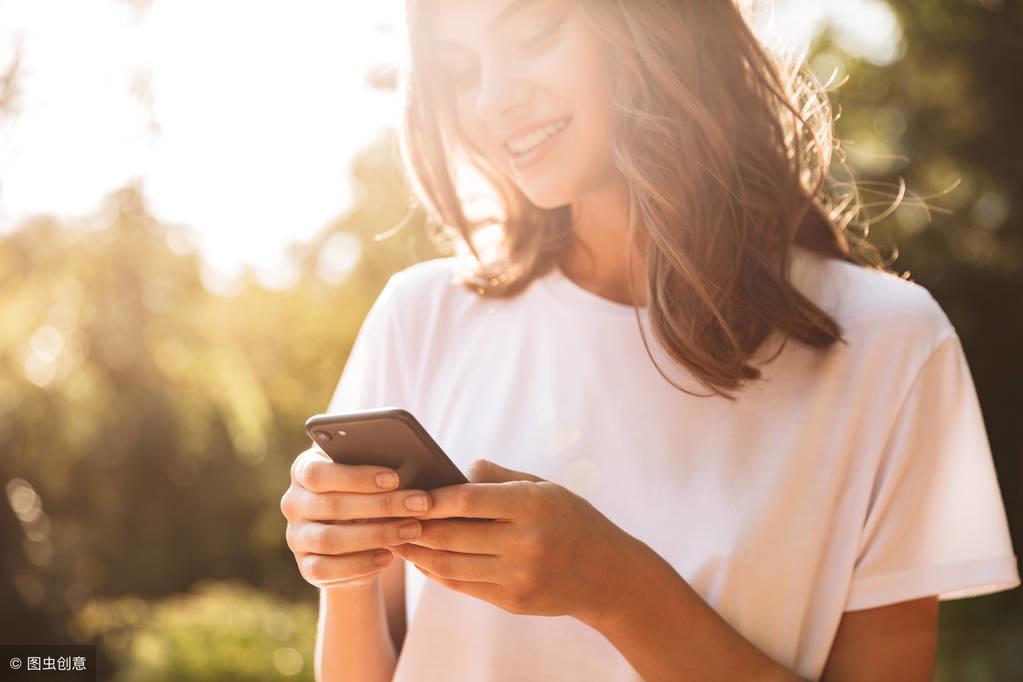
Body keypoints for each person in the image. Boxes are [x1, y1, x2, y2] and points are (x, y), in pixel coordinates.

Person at [279, 1, 1021, 680]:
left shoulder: (889, 344)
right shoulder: (423, 314)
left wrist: (619, 591)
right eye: (461, 69)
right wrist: (343, 573)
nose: (491, 97)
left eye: (533, 35)